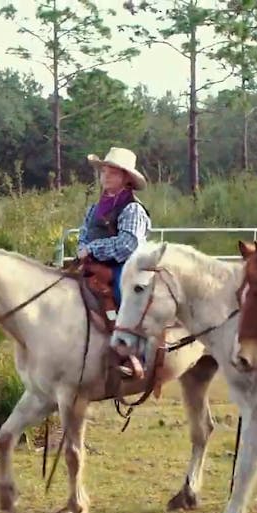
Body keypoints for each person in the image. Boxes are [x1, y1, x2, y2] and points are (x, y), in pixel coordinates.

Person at [77, 146, 151, 380]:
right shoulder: (94, 209)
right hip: (96, 264)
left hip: (124, 266)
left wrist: (92, 249)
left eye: (113, 172)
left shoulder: (132, 209)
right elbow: (84, 234)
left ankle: (136, 352)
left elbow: (128, 244)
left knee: (126, 295)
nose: (106, 176)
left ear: (126, 179)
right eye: (104, 171)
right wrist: (82, 248)